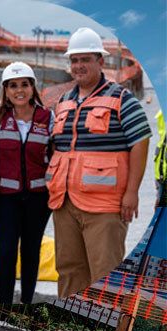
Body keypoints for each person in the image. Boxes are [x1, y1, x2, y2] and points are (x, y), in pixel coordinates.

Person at [46, 27, 151, 298]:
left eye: (85, 59)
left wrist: (131, 193)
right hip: (64, 202)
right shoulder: (64, 102)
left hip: (104, 205)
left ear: (100, 62)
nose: (79, 66)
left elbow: (140, 140)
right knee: (68, 269)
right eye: (74, 60)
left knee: (104, 273)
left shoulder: (120, 98)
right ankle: (65, 324)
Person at [0, 62, 54, 304]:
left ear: (32, 87)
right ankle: (4, 304)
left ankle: (26, 302)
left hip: (39, 197)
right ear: (5, 90)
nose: (19, 90)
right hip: (6, 196)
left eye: (24, 85)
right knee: (6, 250)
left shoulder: (47, 118)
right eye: (13, 85)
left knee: (31, 251)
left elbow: (57, 153)